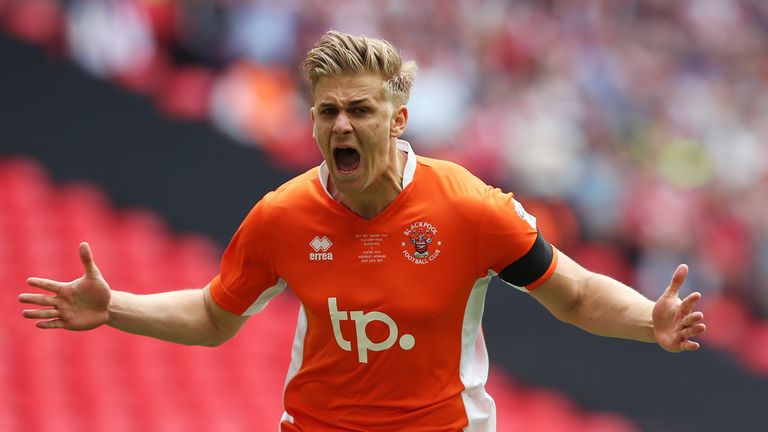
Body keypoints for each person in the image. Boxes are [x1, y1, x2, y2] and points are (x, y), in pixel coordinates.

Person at [18, 30, 706, 431]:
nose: (340, 125)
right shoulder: (282, 215)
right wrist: (113, 309)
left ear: (397, 120)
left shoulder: (468, 208)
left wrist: (651, 320)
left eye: (359, 110)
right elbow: (211, 314)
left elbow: (576, 295)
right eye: (327, 112)